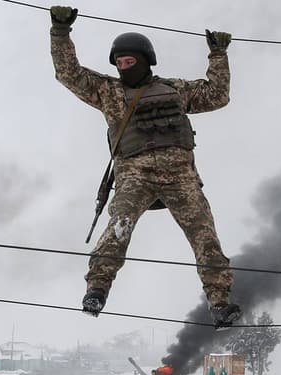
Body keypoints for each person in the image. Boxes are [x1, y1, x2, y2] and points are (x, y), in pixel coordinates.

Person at [49, 6, 242, 329]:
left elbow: (217, 95)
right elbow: (69, 73)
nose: (124, 67)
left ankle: (220, 303)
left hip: (180, 177)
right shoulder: (109, 92)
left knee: (205, 237)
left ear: (145, 60)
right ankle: (97, 290)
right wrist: (60, 32)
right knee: (118, 229)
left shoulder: (175, 90)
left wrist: (218, 55)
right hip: (134, 175)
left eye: (129, 62)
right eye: (120, 63)